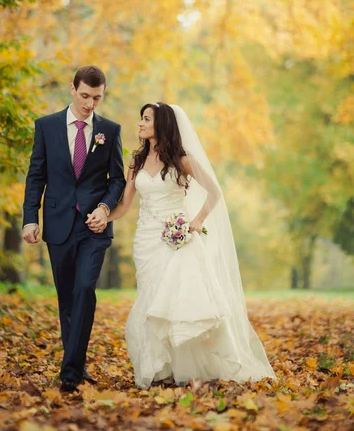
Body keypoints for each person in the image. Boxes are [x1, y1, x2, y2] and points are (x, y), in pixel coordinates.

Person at [106, 102, 276, 388]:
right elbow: (124, 205)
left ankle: (186, 368)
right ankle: (161, 368)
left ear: (161, 125)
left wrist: (196, 221)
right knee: (150, 300)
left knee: (175, 301)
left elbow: (214, 192)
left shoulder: (181, 160)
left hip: (176, 239)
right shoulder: (136, 162)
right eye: (141, 119)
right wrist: (103, 217)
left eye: (146, 119)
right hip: (146, 240)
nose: (140, 124)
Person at [22, 66, 126, 393]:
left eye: (97, 98)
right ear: (72, 89)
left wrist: (105, 209)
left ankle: (69, 373)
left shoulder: (109, 130)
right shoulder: (46, 127)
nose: (89, 104)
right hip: (57, 224)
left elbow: (118, 179)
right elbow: (36, 175)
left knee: (84, 289)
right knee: (66, 298)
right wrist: (30, 217)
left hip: (94, 228)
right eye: (84, 96)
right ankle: (76, 366)